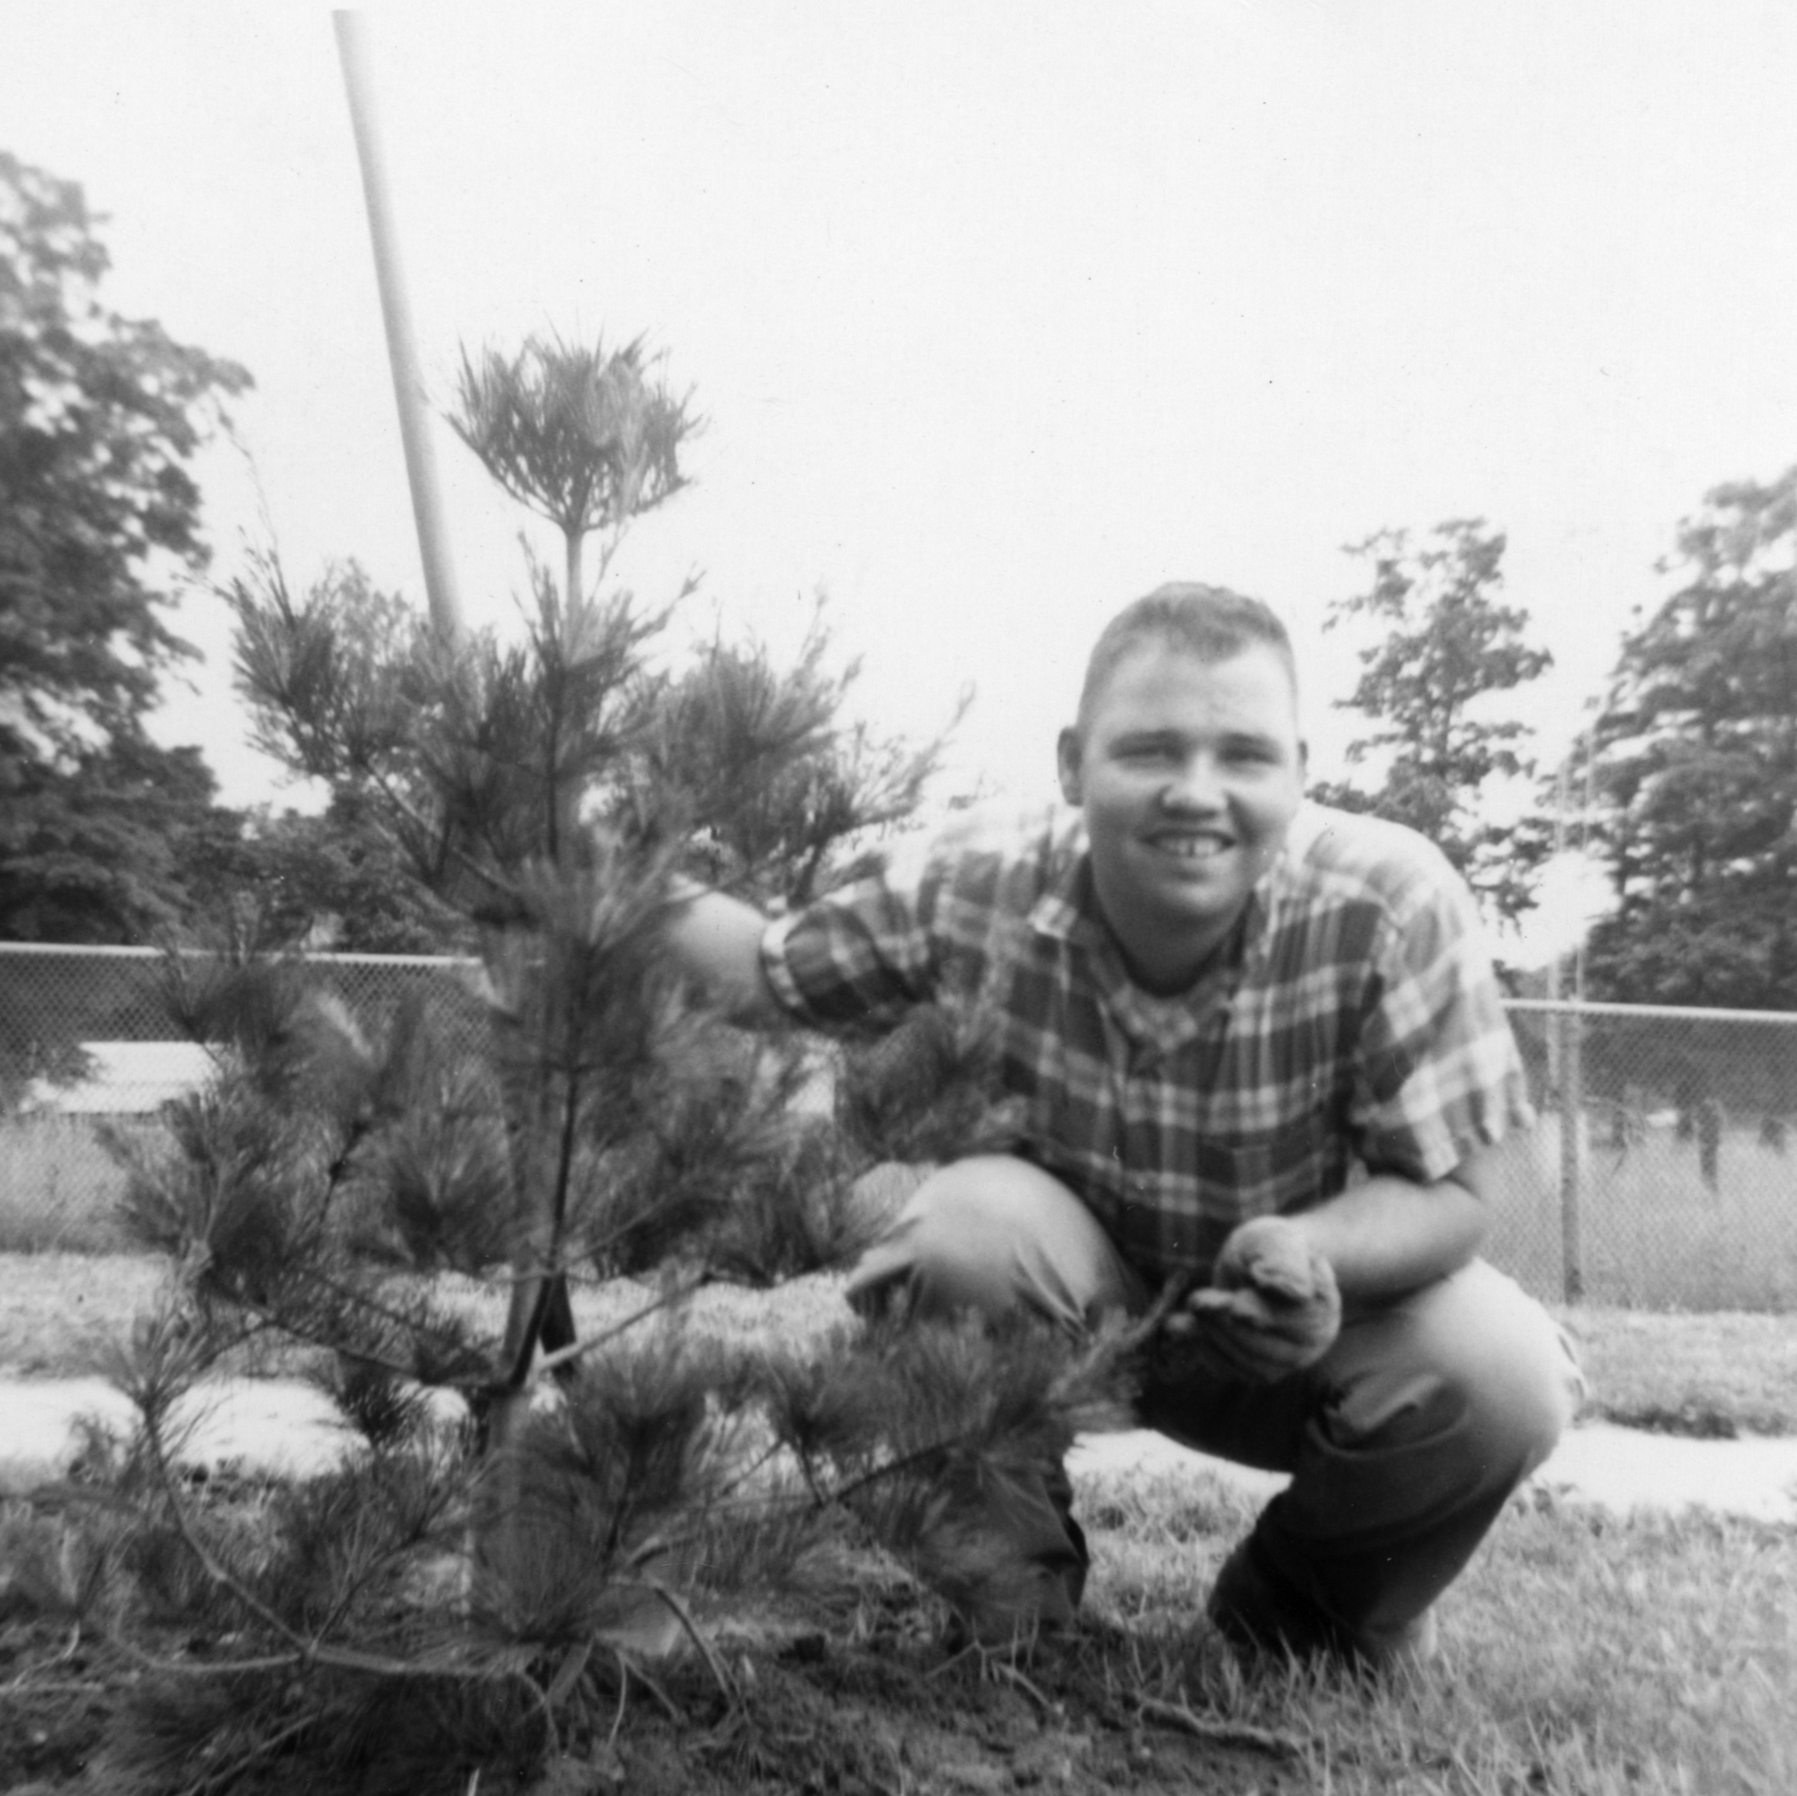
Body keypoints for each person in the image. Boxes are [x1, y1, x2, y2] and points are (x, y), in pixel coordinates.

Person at [666, 581, 1583, 1668]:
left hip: (1309, 1333)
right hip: (1067, 1310)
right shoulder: (980, 878)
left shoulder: (1390, 899)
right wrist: (606, 882)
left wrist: (1313, 1253)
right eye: (1150, 749)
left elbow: (1466, 1193)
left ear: (1298, 767)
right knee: (953, 1233)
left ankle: (1303, 1610)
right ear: (1071, 763)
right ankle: (1010, 1608)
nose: (1197, 792)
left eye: (1243, 755)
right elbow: (776, 977)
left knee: (1502, 1371)